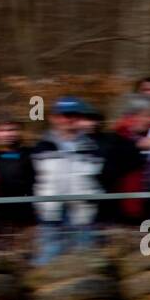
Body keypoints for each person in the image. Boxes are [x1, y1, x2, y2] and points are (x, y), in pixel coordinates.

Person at [30, 96, 104, 263]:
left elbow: (101, 178)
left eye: (74, 115)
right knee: (48, 257)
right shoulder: (41, 146)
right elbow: (31, 177)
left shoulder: (93, 147)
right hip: (50, 212)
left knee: (84, 260)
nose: (69, 119)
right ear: (54, 118)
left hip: (82, 213)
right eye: (64, 115)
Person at [0, 119, 35, 232]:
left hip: (25, 219)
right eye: (2, 130)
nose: (8, 134)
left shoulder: (31, 155)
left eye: (12, 129)